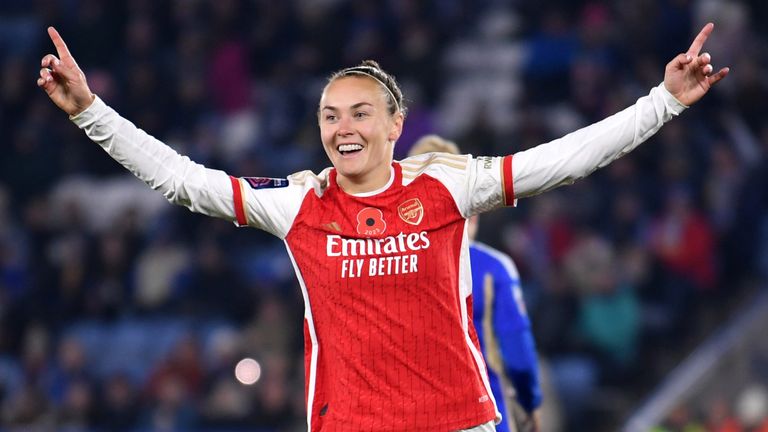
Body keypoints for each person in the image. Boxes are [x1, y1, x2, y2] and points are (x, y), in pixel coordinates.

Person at [37, 23, 727, 431]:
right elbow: (182, 180)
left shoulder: (447, 185)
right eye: (331, 115)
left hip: (459, 421)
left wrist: (663, 102)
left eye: (361, 112)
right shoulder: (298, 202)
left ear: (397, 124)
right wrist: (90, 112)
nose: (344, 127)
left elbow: (567, 159)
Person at [409, 135, 542, 432]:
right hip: (484, 415)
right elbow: (517, 351)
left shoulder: (386, 264)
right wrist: (531, 404)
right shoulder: (492, 269)